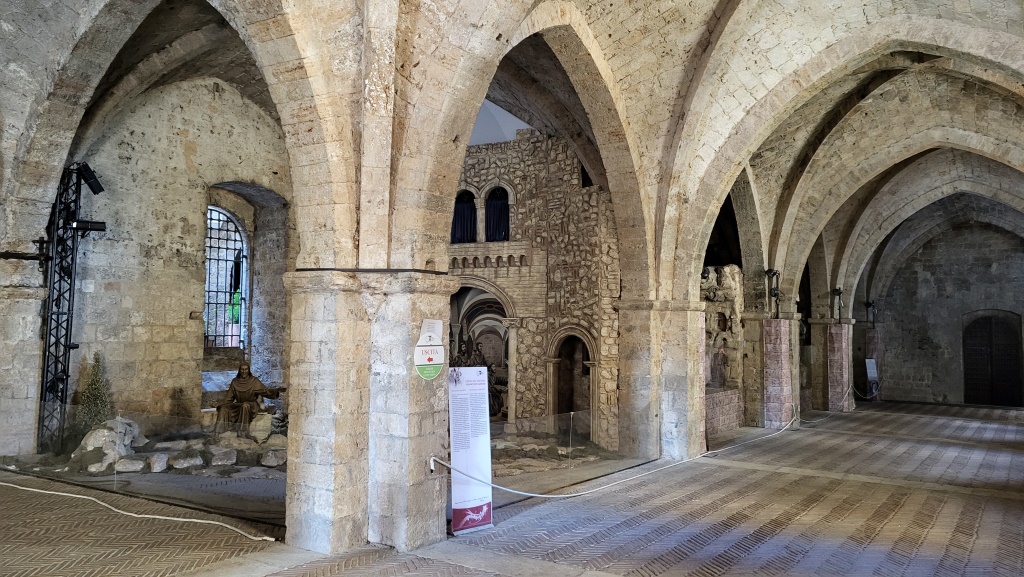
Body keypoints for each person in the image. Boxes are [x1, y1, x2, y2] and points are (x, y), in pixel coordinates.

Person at [216, 363, 285, 435]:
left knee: (245, 405)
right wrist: (222, 404)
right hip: (239, 404)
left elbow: (265, 391)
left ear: (249, 370)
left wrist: (276, 390)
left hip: (252, 405)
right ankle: (217, 433)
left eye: (246, 369)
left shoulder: (254, 381)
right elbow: (229, 398)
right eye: (242, 369)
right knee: (223, 408)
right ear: (239, 371)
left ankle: (242, 432)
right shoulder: (235, 382)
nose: (244, 371)